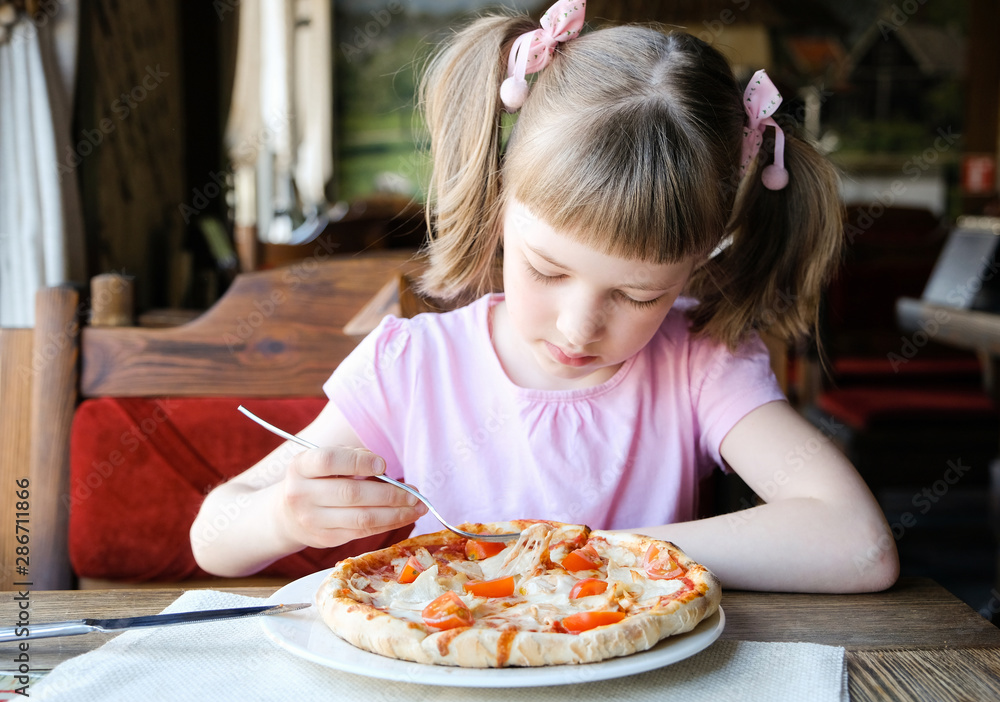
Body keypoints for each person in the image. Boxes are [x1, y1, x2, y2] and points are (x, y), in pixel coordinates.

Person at [191, 0, 899, 593]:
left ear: (698, 264)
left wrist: (591, 551)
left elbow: (859, 544)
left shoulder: (699, 365)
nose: (578, 324)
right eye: (548, 270)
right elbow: (212, 536)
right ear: (502, 205)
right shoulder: (414, 367)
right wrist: (283, 518)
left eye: (637, 294)